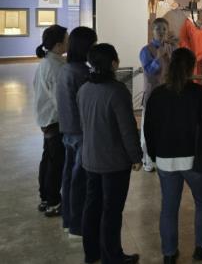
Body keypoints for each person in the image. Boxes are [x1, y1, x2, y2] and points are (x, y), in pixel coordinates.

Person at [144, 48, 202, 264]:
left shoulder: (157, 95)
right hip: (195, 159)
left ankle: (169, 253)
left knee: (169, 207)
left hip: (165, 159)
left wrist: (154, 155)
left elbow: (149, 128)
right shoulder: (201, 94)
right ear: (191, 67)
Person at [79, 44, 143, 264]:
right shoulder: (117, 91)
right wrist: (136, 156)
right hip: (114, 162)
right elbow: (127, 129)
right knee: (111, 210)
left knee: (92, 205)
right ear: (114, 63)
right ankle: (112, 257)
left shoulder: (84, 89)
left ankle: (91, 253)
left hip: (90, 157)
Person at [56, 26, 97, 235]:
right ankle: (77, 224)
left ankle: (68, 219)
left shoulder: (65, 69)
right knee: (79, 179)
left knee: (69, 175)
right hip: (81, 132)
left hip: (67, 129)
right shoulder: (82, 73)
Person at [33, 24, 68, 217]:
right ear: (58, 45)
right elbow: (59, 100)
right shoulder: (56, 67)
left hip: (46, 119)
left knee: (48, 159)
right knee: (56, 163)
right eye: (67, 39)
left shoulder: (47, 62)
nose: (69, 42)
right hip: (55, 120)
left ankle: (45, 198)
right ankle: (54, 202)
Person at [139, 17, 174, 172]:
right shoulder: (146, 50)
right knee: (148, 128)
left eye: (164, 29)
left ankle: (163, 157)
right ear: (152, 31)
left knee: (165, 127)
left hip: (168, 94)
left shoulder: (171, 48)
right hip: (152, 94)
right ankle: (147, 160)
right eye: (158, 29)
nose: (161, 32)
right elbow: (149, 71)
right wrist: (159, 57)